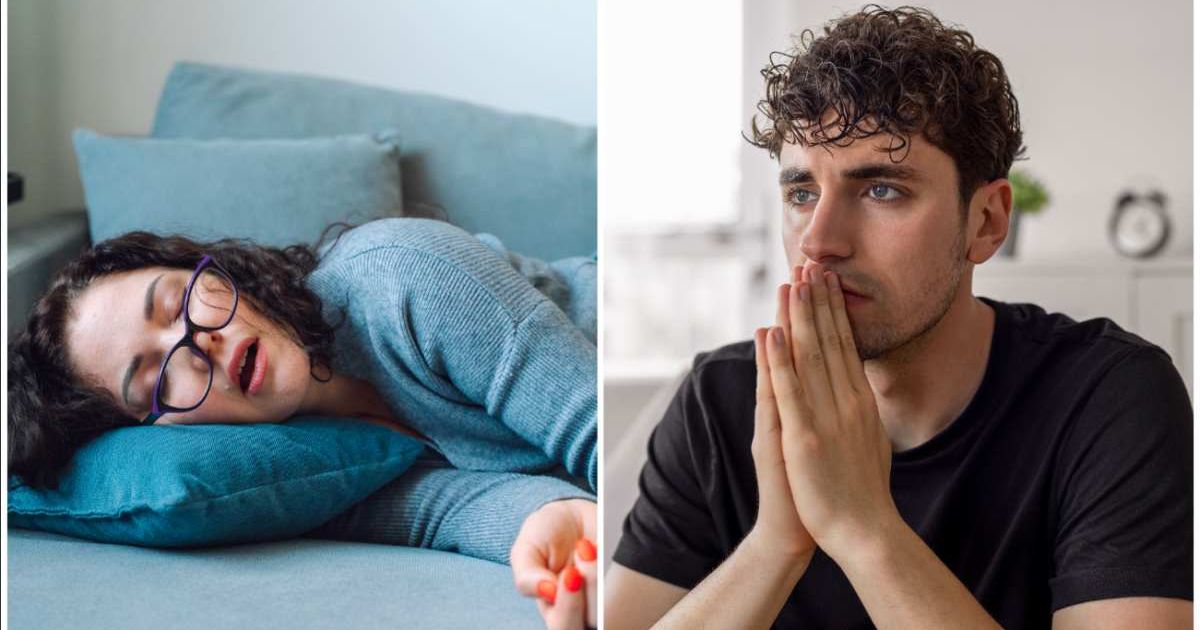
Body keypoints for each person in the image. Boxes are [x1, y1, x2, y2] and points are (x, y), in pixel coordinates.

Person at [606, 5, 1192, 629]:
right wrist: (775, 544)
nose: (818, 241)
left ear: (987, 222)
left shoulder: (1110, 397)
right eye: (802, 193)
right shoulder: (720, 402)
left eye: (882, 189)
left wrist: (862, 527)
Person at [8, 216, 599, 630]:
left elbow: (615, 438)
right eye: (156, 378)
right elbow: (449, 507)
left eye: (176, 301)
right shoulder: (305, 468)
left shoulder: (400, 277)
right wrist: (550, 515)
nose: (197, 342)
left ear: (212, 270)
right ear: (155, 430)